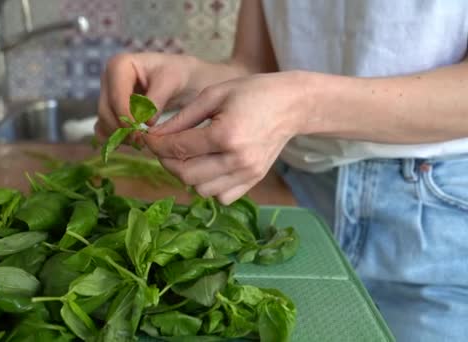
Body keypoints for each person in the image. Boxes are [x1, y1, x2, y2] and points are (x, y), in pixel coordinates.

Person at [95, 1, 468, 340]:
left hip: (435, 218)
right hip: (297, 202)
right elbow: (254, 67)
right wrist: (187, 78)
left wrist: (301, 105)